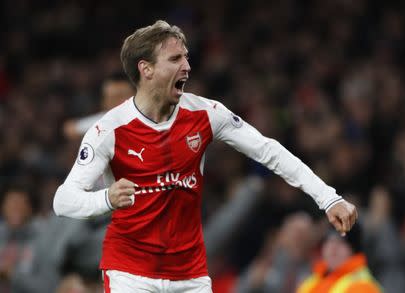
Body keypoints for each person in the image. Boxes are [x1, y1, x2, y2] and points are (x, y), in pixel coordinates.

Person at [53, 20, 358, 293]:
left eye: (186, 57)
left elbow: (268, 151)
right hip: (130, 273)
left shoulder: (206, 113)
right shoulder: (108, 130)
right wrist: (106, 198)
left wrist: (328, 198)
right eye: (175, 59)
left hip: (190, 274)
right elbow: (63, 200)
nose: (186, 66)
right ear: (146, 69)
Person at [296, 223, 382, 293]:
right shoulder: (312, 281)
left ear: (353, 250)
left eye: (341, 242)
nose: (333, 247)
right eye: (329, 241)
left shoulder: (361, 286)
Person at [63, 72, 135, 140]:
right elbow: (70, 129)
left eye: (120, 96)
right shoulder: (105, 121)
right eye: (110, 98)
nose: (114, 102)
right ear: (103, 102)